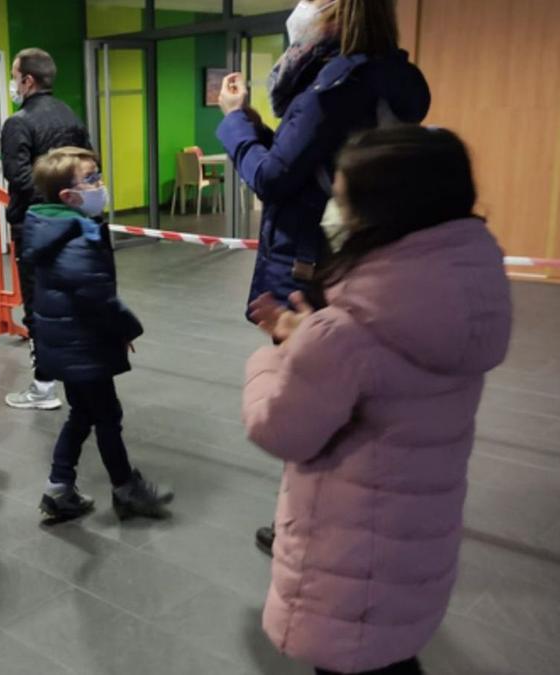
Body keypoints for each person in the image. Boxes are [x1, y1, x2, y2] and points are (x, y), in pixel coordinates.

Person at [243, 125, 512, 675]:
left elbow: (278, 428)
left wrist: (278, 353)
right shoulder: (461, 295)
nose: (332, 215)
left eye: (342, 201)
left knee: (354, 660)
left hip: (347, 563)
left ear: (383, 211)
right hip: (413, 548)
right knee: (392, 657)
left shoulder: (345, 334)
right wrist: (314, 335)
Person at [215, 0, 430, 557]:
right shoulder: (394, 80)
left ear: (336, 14)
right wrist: (266, 128)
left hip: (313, 263)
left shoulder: (333, 87)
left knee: (312, 399)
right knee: (356, 393)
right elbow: (309, 158)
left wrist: (236, 121)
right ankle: (349, 518)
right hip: (368, 253)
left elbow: (272, 178)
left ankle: (310, 524)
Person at [23, 147, 173, 522]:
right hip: (84, 345)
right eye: (90, 179)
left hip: (71, 344)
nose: (100, 185)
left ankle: (59, 488)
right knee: (105, 414)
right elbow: (98, 297)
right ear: (67, 196)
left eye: (98, 175)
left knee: (85, 413)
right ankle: (124, 490)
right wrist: (127, 328)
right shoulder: (76, 237)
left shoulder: (53, 228)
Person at [0, 47, 94, 412]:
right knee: (68, 300)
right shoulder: (71, 117)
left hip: (34, 227)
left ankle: (43, 386)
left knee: (39, 306)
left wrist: (50, 195)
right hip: (72, 224)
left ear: (28, 80)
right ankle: (76, 372)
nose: (13, 83)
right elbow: (89, 167)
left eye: (14, 75)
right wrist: (71, 199)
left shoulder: (18, 123)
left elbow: (19, 177)